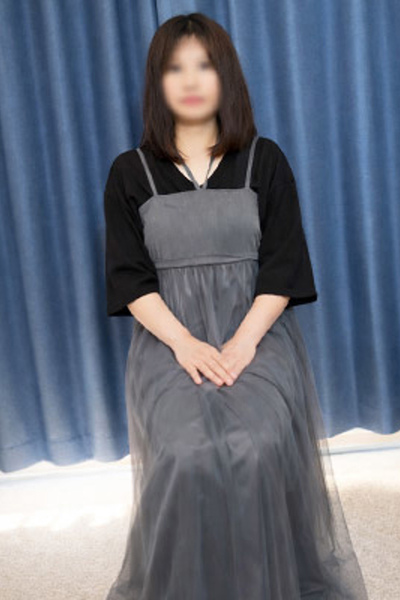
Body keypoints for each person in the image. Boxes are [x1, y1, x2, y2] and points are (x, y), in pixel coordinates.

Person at [103, 12, 369, 600]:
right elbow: (129, 279)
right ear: (157, 82)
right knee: (186, 451)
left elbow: (283, 265)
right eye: (175, 67)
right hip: (170, 341)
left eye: (203, 65)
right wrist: (185, 343)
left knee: (255, 445)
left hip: (257, 334)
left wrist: (243, 342)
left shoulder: (264, 160)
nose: (190, 79)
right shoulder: (130, 172)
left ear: (225, 75)